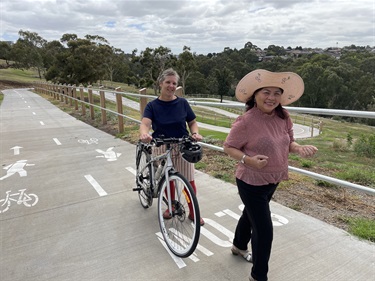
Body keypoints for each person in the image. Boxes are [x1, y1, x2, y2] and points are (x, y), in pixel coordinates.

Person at [223, 69, 318, 281]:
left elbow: (289, 142)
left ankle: (238, 246)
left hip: (273, 179)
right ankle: (258, 276)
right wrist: (247, 160)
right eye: (266, 92)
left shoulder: (284, 117)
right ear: (254, 95)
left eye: (277, 93)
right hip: (250, 181)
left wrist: (299, 148)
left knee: (251, 215)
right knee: (264, 230)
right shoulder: (246, 121)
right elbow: (229, 147)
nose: (271, 98)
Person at [139, 68, 205, 226]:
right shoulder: (152, 106)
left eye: (174, 83)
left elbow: (192, 122)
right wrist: (144, 134)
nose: (171, 85)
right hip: (161, 144)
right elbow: (145, 123)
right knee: (166, 180)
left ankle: (193, 212)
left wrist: (195, 133)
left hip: (181, 145)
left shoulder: (182, 103)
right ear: (161, 83)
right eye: (168, 82)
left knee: (189, 182)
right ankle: (170, 206)